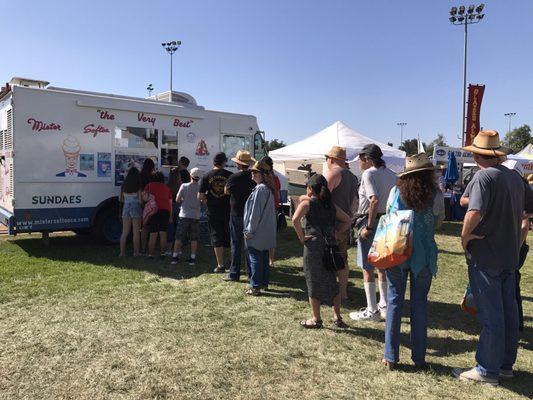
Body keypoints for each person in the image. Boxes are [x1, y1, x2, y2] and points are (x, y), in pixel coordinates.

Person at [452, 130, 533, 386]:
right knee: (508, 313)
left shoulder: (483, 177)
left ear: (476, 154)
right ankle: (505, 364)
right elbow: (528, 212)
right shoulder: (515, 177)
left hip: (487, 255)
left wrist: (465, 238)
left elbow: (473, 212)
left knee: (492, 315)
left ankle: (487, 369)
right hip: (509, 254)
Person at [382, 153, 444, 369]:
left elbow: (389, 216)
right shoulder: (436, 194)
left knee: (394, 301)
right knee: (419, 305)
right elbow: (438, 223)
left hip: (397, 252)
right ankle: (419, 357)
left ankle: (390, 355)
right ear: (429, 174)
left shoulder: (396, 191)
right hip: (424, 256)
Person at [292, 174, 352, 329]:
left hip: (313, 246)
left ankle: (316, 318)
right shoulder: (331, 205)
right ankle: (337, 316)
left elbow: (294, 219)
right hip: (330, 245)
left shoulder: (308, 204)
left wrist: (301, 237)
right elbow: (348, 220)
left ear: (310, 188)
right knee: (332, 280)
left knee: (313, 281)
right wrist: (337, 234)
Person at [350, 144, 397, 321]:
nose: (359, 162)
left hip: (371, 222)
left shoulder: (369, 174)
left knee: (367, 267)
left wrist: (368, 227)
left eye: (361, 159)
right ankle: (383, 305)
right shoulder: (391, 174)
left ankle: (372, 310)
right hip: (387, 222)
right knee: (382, 265)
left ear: (368, 159)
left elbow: (374, 200)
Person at [323, 146, 358, 301]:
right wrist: (348, 220)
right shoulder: (352, 176)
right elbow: (355, 204)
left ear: (330, 159)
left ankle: (328, 292)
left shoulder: (332, 174)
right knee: (342, 261)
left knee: (326, 261)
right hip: (344, 226)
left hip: (330, 225)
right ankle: (343, 294)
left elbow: (323, 201)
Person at [243, 160, 277, 296]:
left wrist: (250, 231)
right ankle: (263, 283)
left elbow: (255, 212)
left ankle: (256, 286)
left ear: (262, 174)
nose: (252, 174)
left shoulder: (260, 189)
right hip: (264, 230)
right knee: (262, 256)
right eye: (252, 171)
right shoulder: (265, 188)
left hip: (257, 231)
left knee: (255, 257)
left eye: (255, 172)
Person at [223, 150, 256, 282]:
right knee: (249, 245)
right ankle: (250, 273)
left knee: (236, 244)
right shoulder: (254, 177)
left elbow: (226, 191)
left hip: (237, 213)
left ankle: (234, 273)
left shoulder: (234, 177)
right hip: (250, 214)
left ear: (238, 164)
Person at [198, 152, 233, 272]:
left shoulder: (206, 176)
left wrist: (208, 200)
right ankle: (232, 261)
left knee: (216, 236)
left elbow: (200, 197)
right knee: (229, 236)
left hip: (213, 211)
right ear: (224, 162)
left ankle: (220, 265)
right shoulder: (230, 175)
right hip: (228, 210)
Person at [171, 168, 202, 266]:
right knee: (194, 238)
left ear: (190, 175)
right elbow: (203, 200)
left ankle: (175, 257)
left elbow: (177, 199)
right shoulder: (201, 187)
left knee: (179, 237)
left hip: (184, 215)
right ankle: (192, 258)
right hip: (195, 216)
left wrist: (184, 200)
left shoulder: (184, 186)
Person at [143, 171, 173, 258]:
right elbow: (170, 203)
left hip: (154, 210)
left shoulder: (149, 185)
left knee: (153, 233)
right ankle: (163, 253)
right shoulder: (167, 188)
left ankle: (150, 254)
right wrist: (171, 216)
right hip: (165, 211)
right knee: (163, 233)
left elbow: (144, 198)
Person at [261, 156, 281, 267]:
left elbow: (275, 189)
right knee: (269, 233)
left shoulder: (272, 177)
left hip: (270, 207)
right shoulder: (273, 177)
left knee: (270, 234)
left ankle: (270, 260)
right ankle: (269, 259)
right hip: (271, 207)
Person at [119, 166, 142, 257]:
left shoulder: (123, 185)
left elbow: (120, 199)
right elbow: (140, 201)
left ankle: (122, 253)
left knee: (124, 232)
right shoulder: (138, 186)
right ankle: (136, 253)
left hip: (126, 208)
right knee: (136, 232)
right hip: (135, 207)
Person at [166, 159, 183, 249]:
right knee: (178, 228)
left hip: (169, 207)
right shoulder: (181, 186)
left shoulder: (167, 186)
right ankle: (178, 248)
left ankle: (169, 248)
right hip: (178, 206)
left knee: (170, 228)